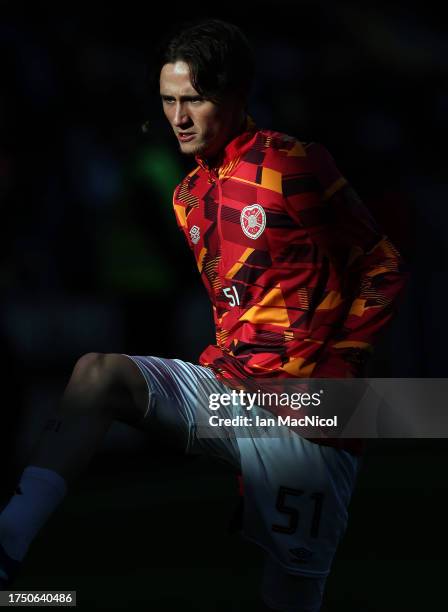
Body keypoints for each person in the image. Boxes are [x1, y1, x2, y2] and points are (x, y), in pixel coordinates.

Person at [0, 19, 408, 611]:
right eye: (168, 100)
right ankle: (9, 541)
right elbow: (231, 307)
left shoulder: (292, 164)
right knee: (99, 374)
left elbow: (383, 265)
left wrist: (342, 366)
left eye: (194, 99)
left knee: (289, 597)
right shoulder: (187, 196)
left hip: (310, 412)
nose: (178, 117)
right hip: (229, 387)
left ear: (236, 96)